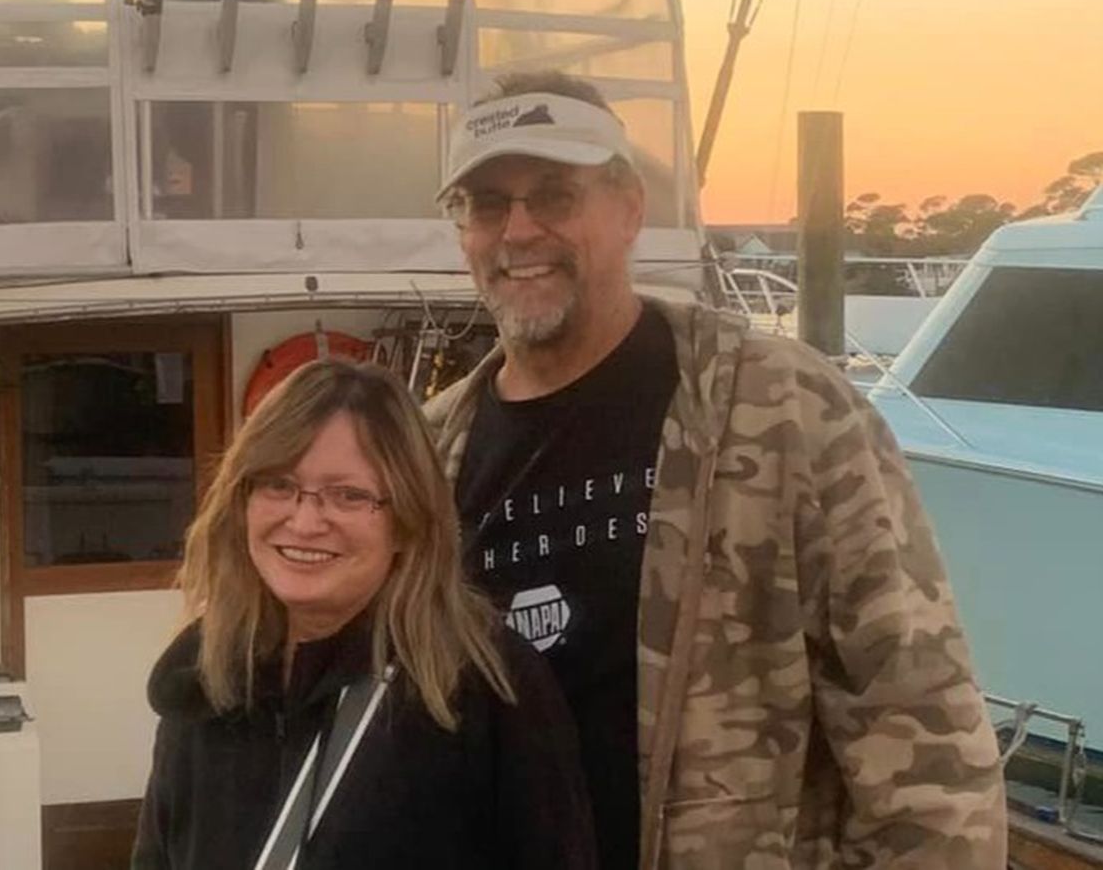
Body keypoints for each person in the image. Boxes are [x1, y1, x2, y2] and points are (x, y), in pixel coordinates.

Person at [425, 71, 1007, 869]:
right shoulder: (428, 453)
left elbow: (922, 731)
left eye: (554, 196)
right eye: (488, 205)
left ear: (630, 207)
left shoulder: (785, 409)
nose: (518, 231)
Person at [132, 359, 596, 869]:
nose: (304, 521)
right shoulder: (203, 679)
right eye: (278, 485)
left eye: (348, 495)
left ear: (407, 521)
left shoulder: (489, 686)